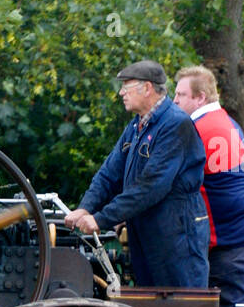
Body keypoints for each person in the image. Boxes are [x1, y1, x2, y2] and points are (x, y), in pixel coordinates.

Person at [65, 60, 210, 288]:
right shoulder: (137, 125)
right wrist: (85, 207)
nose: (121, 92)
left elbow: (151, 186)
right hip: (148, 232)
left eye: (127, 86)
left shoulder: (175, 124)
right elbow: (109, 173)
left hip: (177, 234)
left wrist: (101, 219)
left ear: (148, 88)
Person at [172, 65, 244, 307]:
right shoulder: (226, 121)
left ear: (200, 97)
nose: (174, 101)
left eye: (181, 95)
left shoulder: (197, 130)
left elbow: (166, 185)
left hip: (235, 241)